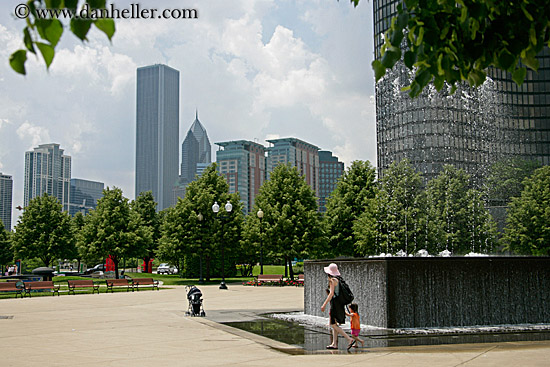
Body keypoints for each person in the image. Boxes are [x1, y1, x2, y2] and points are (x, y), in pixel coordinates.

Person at [321, 263, 355, 350]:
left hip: (335, 304)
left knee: (333, 324)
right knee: (334, 324)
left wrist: (324, 304)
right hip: (339, 304)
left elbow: (331, 294)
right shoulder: (339, 279)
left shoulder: (332, 280)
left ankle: (349, 339)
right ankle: (334, 343)